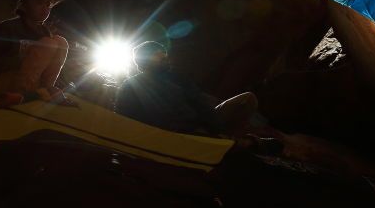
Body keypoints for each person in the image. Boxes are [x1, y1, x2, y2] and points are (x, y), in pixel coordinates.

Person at [114, 41, 281, 152]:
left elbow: (201, 104)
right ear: (145, 60)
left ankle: (231, 140)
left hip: (197, 126)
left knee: (247, 99)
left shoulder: (177, 79)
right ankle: (238, 143)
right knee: (203, 134)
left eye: (164, 53)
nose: (166, 57)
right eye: (159, 54)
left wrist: (214, 126)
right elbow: (126, 116)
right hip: (179, 133)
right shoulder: (133, 86)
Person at [0, 0, 69, 106]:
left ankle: (45, 89)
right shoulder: (6, 28)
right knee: (48, 44)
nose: (45, 8)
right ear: (24, 6)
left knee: (61, 42)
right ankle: (23, 95)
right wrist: (23, 60)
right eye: (39, 3)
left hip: (24, 82)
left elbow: (42, 68)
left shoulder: (45, 34)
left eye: (47, 5)